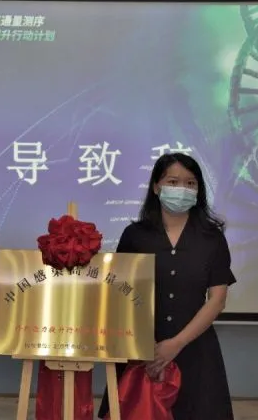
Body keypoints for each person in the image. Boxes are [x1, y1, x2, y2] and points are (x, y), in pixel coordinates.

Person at [98, 152, 236, 420]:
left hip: (195, 349)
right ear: (156, 187)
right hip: (141, 350)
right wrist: (147, 347)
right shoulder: (135, 236)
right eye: (173, 182)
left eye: (190, 183)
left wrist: (175, 344)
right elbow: (119, 293)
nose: (182, 189)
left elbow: (217, 299)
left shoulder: (212, 238)